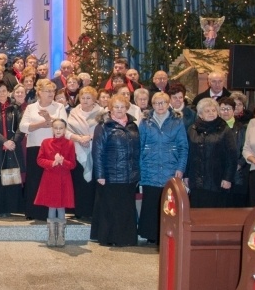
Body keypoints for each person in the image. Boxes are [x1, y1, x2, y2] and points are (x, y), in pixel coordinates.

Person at [137, 92, 188, 243]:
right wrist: (140, 168)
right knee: (151, 202)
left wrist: (181, 167)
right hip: (149, 167)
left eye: (163, 103)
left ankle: (167, 234)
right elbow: (139, 146)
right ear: (152, 105)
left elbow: (183, 147)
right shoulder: (145, 122)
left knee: (168, 203)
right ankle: (151, 235)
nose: (160, 106)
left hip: (170, 167)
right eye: (157, 103)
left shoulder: (177, 122)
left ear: (168, 104)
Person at [91, 94, 141, 246]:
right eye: (116, 107)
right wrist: (100, 174)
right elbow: (97, 151)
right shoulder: (103, 126)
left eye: (122, 107)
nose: (119, 110)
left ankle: (126, 239)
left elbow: (138, 150)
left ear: (127, 108)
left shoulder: (133, 125)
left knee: (126, 209)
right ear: (110, 108)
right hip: (110, 175)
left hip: (129, 175)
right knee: (110, 209)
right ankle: (110, 238)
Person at [20, 79, 67, 221]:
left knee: (51, 181)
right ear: (39, 92)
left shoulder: (59, 107)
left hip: (54, 148)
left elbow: (63, 125)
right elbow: (23, 127)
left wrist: (49, 118)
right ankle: (34, 212)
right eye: (48, 91)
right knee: (34, 179)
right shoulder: (31, 107)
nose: (51, 93)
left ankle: (50, 211)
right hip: (35, 146)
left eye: (53, 91)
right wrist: (42, 123)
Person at [185, 98, 237, 208]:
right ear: (200, 114)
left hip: (217, 180)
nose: (211, 113)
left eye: (213, 110)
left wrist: (228, 178)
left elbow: (232, 156)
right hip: (196, 180)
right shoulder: (192, 129)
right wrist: (186, 175)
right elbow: (188, 154)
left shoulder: (224, 130)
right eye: (207, 111)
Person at [0, 83, 24, 217]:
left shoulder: (15, 108)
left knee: (10, 178)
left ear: (8, 92)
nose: (2, 93)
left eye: (4, 91)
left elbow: (21, 127)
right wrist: (4, 141)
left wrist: (13, 141)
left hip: (12, 148)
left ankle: (9, 208)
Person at [35, 119, 76, 247]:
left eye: (61, 128)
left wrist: (63, 161)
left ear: (65, 129)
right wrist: (52, 163)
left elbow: (73, 164)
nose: (58, 130)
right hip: (50, 178)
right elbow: (40, 160)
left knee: (61, 206)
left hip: (64, 179)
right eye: (56, 128)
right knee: (52, 206)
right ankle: (52, 235)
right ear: (52, 129)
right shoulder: (46, 142)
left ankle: (61, 235)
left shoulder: (69, 144)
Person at [65, 86, 103, 220]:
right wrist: (79, 138)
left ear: (94, 99)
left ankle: (93, 212)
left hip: (96, 151)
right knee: (79, 182)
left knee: (94, 182)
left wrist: (90, 137)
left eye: (89, 98)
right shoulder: (74, 112)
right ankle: (80, 211)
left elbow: (104, 130)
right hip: (77, 149)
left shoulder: (102, 113)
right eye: (83, 98)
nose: (85, 100)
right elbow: (66, 131)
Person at [218, 96, 250, 207]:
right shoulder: (214, 128)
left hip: (238, 175)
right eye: (222, 109)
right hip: (218, 174)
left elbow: (247, 148)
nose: (225, 112)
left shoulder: (242, 128)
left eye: (229, 109)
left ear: (233, 110)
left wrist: (239, 164)